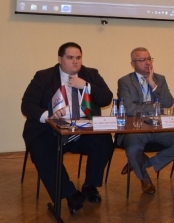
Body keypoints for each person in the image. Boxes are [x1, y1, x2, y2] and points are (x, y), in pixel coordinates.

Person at [21, 42, 113, 215]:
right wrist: (49, 115)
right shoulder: (44, 76)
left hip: (82, 129)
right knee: (42, 149)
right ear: (60, 59)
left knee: (104, 141)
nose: (75, 62)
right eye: (70, 58)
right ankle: (70, 193)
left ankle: (90, 186)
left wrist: (86, 86)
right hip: (50, 130)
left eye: (78, 58)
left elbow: (106, 98)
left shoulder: (90, 74)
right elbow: (27, 105)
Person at [117, 47, 174, 194]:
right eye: (142, 60)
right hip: (135, 127)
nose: (147, 63)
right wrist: (154, 106)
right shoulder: (125, 81)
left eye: (149, 59)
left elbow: (168, 103)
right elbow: (129, 109)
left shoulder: (159, 79)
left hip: (158, 126)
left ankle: (142, 164)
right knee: (133, 149)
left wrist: (152, 84)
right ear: (133, 64)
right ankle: (144, 178)